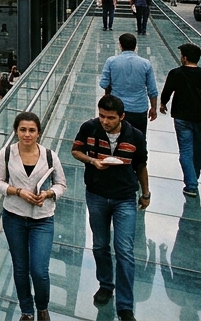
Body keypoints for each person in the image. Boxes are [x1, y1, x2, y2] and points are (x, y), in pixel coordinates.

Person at [72, 95, 151, 321]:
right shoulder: (89, 128)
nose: (105, 121)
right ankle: (106, 284)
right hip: (96, 194)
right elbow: (75, 150)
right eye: (102, 116)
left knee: (124, 250)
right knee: (100, 244)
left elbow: (141, 166)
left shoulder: (135, 136)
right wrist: (92, 161)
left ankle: (125, 305)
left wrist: (145, 193)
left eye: (110, 118)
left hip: (125, 197)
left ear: (121, 117)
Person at [0, 111, 67, 321]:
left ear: (39, 133)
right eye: (23, 130)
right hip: (14, 217)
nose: (27, 134)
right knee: (20, 267)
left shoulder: (49, 155)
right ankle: (27, 310)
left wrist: (48, 193)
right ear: (16, 131)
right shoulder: (7, 153)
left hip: (42, 219)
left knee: (39, 269)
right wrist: (18, 191)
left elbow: (61, 184)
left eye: (32, 130)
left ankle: (42, 307)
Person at [159, 43, 201, 198]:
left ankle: (191, 184)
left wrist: (163, 104)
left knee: (185, 150)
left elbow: (167, 91)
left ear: (185, 57)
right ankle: (194, 177)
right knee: (198, 149)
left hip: (182, 117)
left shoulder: (176, 73)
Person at [100, 33, 159, 138]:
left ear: (120, 45)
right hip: (139, 109)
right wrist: (153, 108)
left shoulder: (111, 61)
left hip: (116, 109)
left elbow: (104, 83)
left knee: (116, 139)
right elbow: (152, 90)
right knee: (138, 139)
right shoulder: (146, 64)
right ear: (135, 46)